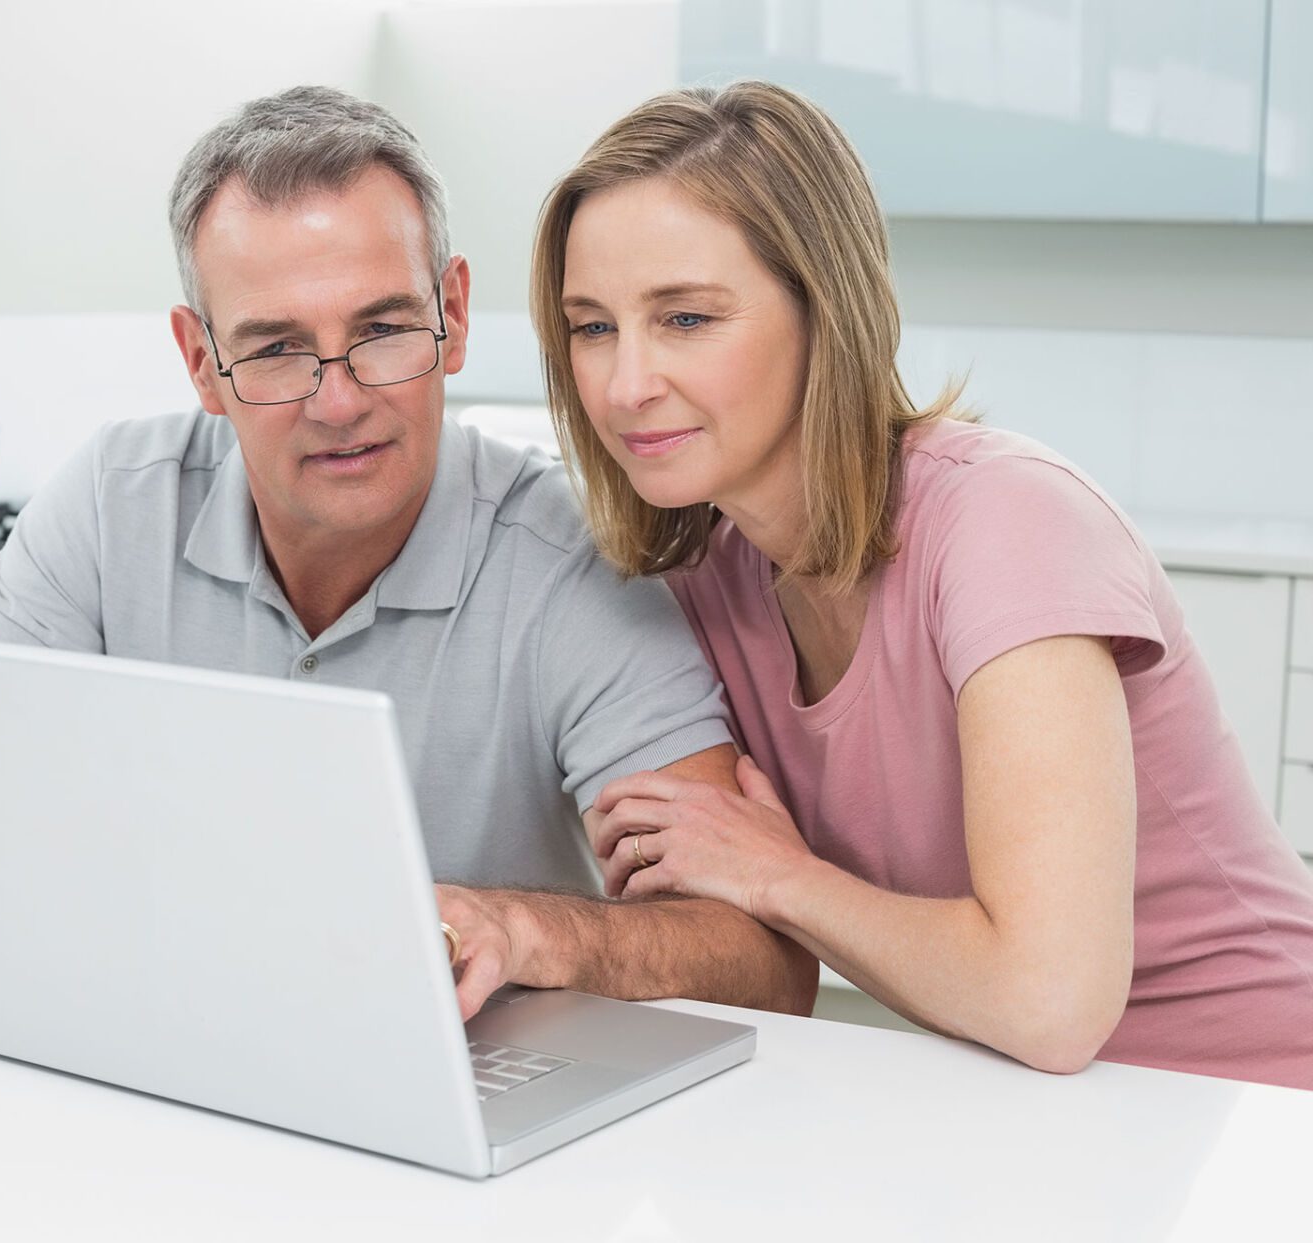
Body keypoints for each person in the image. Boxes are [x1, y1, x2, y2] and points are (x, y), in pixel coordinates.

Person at [0, 85, 817, 1020]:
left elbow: (761, 963)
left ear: (454, 316)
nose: (339, 400)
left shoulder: (572, 567)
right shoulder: (111, 504)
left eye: (384, 330)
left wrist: (522, 929)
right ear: (200, 363)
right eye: (274, 350)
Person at [535, 81, 1313, 1086]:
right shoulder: (704, 586)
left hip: (1258, 1118)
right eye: (590, 326)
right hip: (1030, 1113)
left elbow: (1049, 1002)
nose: (623, 382)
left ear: (826, 309)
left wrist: (779, 876)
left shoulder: (1005, 523)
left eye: (684, 318)